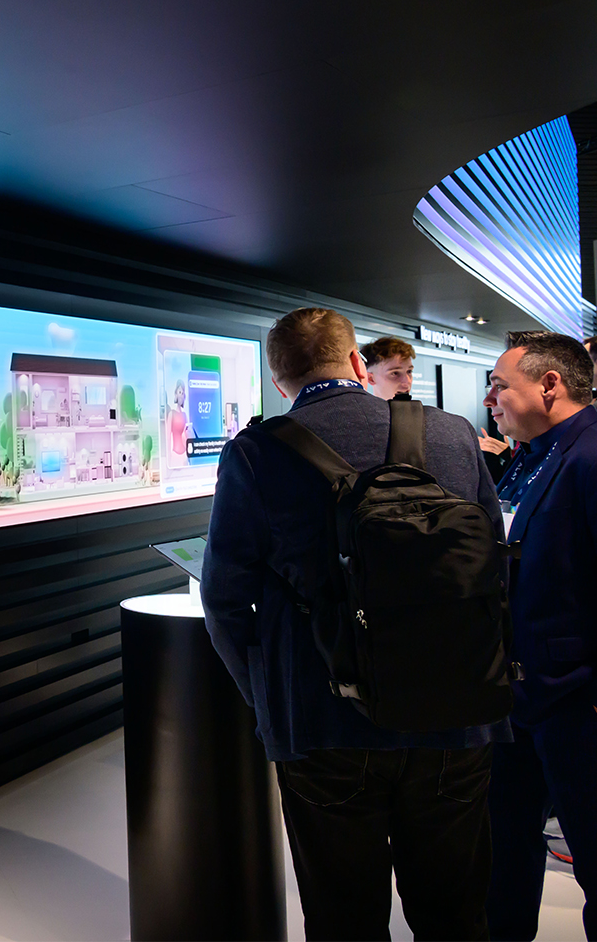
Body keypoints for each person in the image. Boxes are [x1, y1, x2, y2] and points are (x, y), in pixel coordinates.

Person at [202, 307, 507, 940]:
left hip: (322, 719)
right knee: (456, 915)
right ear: (356, 362)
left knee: (343, 918)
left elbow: (226, 599)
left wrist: (267, 699)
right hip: (455, 710)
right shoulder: (452, 434)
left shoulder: (254, 454)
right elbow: (494, 571)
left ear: (279, 381)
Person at [481, 331, 597, 941]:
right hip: (519, 702)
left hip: (583, 709)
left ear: (549, 385)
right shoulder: (530, 457)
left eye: (500, 385)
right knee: (505, 856)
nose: (490, 399)